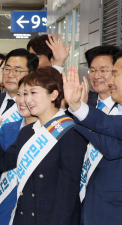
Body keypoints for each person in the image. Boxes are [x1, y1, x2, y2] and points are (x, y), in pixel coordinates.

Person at [0, 67, 87, 225]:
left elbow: (67, 193)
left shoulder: (70, 132)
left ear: (53, 95)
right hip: (24, 216)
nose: (27, 99)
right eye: (25, 94)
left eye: (33, 93)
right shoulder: (28, 131)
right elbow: (3, 163)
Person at [0, 48, 38, 224]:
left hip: (17, 194)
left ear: (31, 74)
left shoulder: (36, 108)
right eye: (7, 69)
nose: (10, 74)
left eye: (17, 70)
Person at [63, 59, 122, 225]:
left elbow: (107, 130)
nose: (110, 81)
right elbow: (110, 144)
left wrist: (76, 106)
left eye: (115, 74)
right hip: (96, 208)